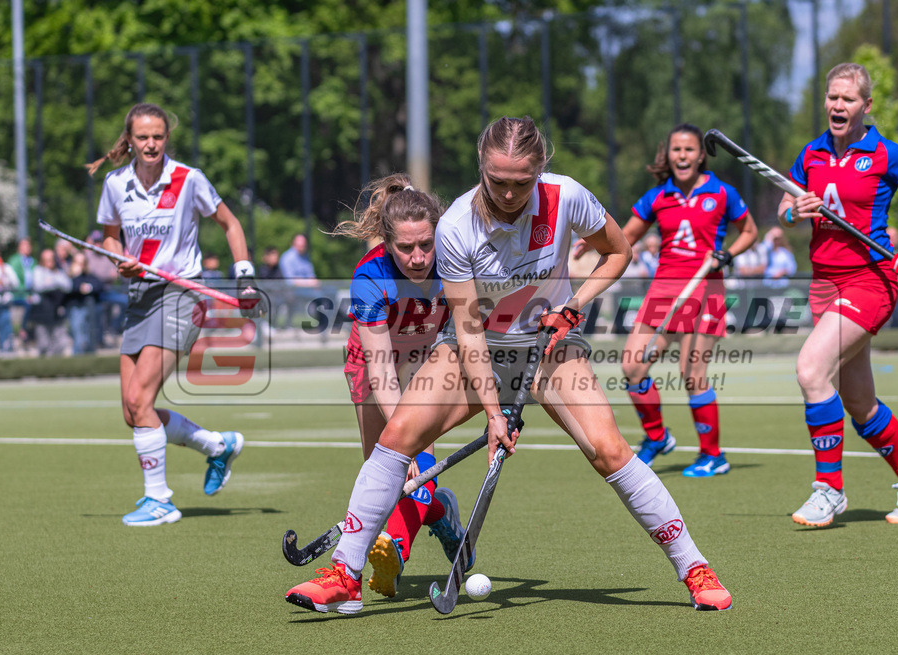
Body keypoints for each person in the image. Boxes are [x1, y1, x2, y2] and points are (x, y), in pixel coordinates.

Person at [284, 116, 733, 615]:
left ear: (540, 170)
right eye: (498, 182)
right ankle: (344, 574)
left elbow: (618, 251)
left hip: (549, 348)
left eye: (523, 182)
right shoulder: (455, 226)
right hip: (476, 347)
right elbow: (469, 329)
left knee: (608, 449)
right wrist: (495, 414)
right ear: (481, 167)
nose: (510, 194)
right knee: (397, 437)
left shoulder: (567, 197)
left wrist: (575, 303)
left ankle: (693, 565)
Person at [778, 63, 898, 527]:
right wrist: (796, 207)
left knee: (812, 370)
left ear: (865, 106)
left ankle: (829, 491)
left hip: (869, 281)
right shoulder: (810, 154)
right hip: (824, 284)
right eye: (833, 97)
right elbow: (784, 207)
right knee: (859, 403)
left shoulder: (886, 154)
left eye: (848, 99)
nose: (838, 105)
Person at [88, 102, 267, 526]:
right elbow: (109, 238)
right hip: (140, 295)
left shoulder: (188, 179)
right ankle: (216, 445)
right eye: (142, 137)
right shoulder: (116, 184)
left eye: (158, 136)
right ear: (129, 141)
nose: (151, 145)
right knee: (132, 412)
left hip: (181, 294)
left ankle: (160, 501)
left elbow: (230, 223)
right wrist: (119, 259)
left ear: (166, 138)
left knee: (140, 400)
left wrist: (245, 276)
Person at [575, 123, 758, 475]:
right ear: (669, 155)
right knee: (632, 366)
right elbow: (627, 233)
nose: (683, 156)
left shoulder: (723, 193)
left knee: (692, 373)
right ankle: (657, 436)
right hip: (664, 291)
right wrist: (595, 238)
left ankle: (712, 455)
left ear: (701, 155)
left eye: (689, 149)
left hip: (706, 291)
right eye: (677, 150)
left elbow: (749, 231)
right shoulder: (658, 196)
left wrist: (727, 254)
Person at [328, 172, 472, 599]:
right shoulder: (370, 276)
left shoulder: (454, 261)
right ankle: (441, 512)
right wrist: (399, 442)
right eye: (405, 248)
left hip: (426, 361)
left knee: (417, 464)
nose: (417, 257)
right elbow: (381, 370)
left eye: (426, 245)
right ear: (387, 244)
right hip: (375, 368)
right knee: (383, 473)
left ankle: (394, 551)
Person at [28, 248, 72, 357]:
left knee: (60, 342)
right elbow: (40, 286)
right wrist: (56, 282)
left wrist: (52, 281)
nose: (49, 262)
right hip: (42, 311)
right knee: (43, 343)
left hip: (56, 311)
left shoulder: (59, 271)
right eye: (46, 260)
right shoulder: (38, 270)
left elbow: (68, 286)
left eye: (51, 259)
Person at [65, 251, 104, 355]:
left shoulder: (89, 275)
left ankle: (89, 354)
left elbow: (99, 285)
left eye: (82, 263)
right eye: (78, 263)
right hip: (75, 307)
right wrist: (76, 277)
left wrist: (89, 287)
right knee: (78, 332)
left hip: (89, 308)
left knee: (89, 332)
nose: (80, 265)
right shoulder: (70, 276)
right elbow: (69, 288)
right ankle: (78, 355)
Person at [279, 233, 320, 328]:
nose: (301, 247)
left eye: (303, 244)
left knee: (327, 294)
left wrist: (313, 283)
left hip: (307, 291)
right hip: (290, 291)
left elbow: (311, 276)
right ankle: (287, 326)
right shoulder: (287, 257)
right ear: (293, 243)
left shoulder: (306, 257)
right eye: (299, 244)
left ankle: (324, 325)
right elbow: (290, 281)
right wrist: (310, 283)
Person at [0, 243, 20, 355]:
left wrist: (5, 273)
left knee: (6, 332)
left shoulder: (6, 268)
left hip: (4, 305)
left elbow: (16, 284)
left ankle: (6, 354)